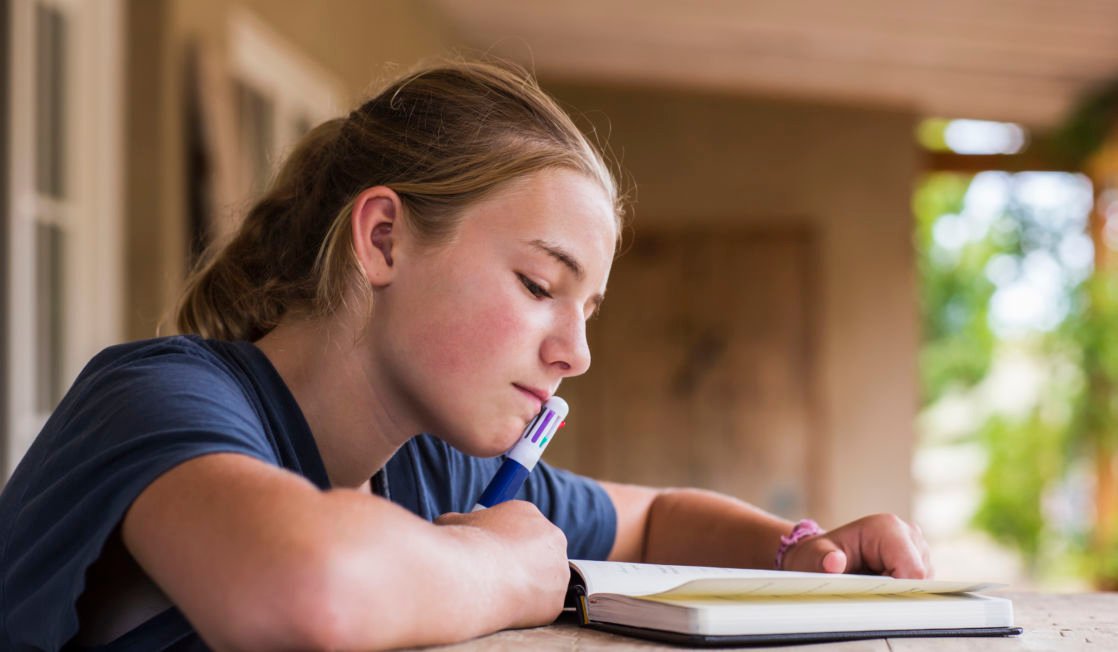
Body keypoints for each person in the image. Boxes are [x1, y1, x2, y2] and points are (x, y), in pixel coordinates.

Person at [0, 60, 931, 651]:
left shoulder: (432, 461)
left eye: (589, 308)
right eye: (538, 285)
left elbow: (652, 522)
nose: (576, 352)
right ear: (384, 241)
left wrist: (801, 550)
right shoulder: (157, 397)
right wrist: (503, 570)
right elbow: (307, 589)